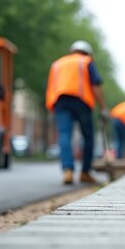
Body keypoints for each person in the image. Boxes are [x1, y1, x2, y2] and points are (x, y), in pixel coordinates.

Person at [46, 40, 107, 185]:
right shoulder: (86, 61)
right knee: (88, 136)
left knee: (64, 134)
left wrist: (50, 108)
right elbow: (96, 85)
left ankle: (68, 171)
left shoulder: (58, 63)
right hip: (81, 101)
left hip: (60, 101)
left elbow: (50, 86)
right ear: (87, 52)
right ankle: (85, 172)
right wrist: (103, 108)